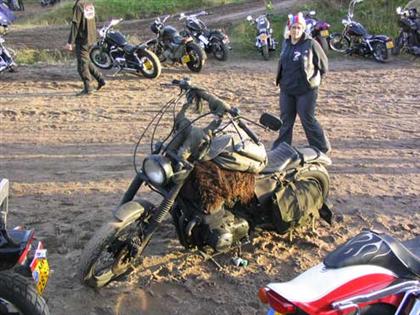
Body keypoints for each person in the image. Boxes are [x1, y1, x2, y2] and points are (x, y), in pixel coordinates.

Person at [272, 12, 331, 154]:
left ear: (303, 28)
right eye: (293, 27)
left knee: (307, 120)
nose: (296, 30)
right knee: (285, 121)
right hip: (287, 89)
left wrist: (315, 82)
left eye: (299, 27)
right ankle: (281, 148)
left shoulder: (310, 43)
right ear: (289, 29)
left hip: (306, 90)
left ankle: (321, 147)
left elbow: (324, 66)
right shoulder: (286, 43)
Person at [64, 0, 105, 96]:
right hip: (91, 37)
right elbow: (94, 18)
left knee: (82, 66)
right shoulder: (88, 3)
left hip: (83, 40)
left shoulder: (78, 5)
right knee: (86, 61)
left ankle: (88, 88)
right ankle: (100, 80)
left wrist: (70, 42)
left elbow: (75, 24)